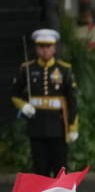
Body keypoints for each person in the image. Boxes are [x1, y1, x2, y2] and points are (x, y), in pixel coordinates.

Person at [10, 29, 79, 177]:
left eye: (48, 47)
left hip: (58, 126)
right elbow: (14, 93)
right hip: (37, 125)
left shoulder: (64, 70)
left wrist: (73, 126)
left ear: (54, 48)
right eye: (42, 47)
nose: (45, 50)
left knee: (60, 168)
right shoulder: (27, 69)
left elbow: (72, 100)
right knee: (40, 169)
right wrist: (24, 106)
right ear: (37, 48)